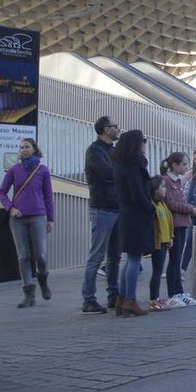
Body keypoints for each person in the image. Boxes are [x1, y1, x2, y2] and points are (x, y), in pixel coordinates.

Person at [0, 137, 55, 308]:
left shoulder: (42, 170)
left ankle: (43, 280)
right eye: (21, 147)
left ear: (34, 149)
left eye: (27, 147)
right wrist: (10, 208)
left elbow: (48, 196)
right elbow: (1, 192)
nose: (24, 150)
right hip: (18, 218)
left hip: (37, 215)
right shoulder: (14, 170)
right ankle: (29, 293)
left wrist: (50, 219)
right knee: (23, 256)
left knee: (41, 256)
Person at [112, 129, 154, 317]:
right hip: (136, 215)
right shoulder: (133, 165)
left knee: (130, 258)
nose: (145, 144)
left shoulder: (120, 163)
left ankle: (122, 299)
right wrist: (150, 208)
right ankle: (130, 299)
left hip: (125, 214)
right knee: (135, 259)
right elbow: (138, 193)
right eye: (143, 140)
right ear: (136, 144)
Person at [81, 116, 120, 314]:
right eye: (115, 126)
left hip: (115, 207)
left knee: (114, 256)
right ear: (106, 129)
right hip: (102, 207)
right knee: (97, 255)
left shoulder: (112, 150)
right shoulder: (95, 151)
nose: (118, 128)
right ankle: (88, 298)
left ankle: (114, 295)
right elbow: (109, 173)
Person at [160, 152, 196, 305]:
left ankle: (179, 291)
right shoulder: (167, 181)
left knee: (176, 260)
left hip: (182, 222)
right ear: (175, 165)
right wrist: (190, 209)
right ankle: (174, 293)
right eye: (184, 164)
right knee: (175, 259)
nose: (186, 167)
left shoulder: (177, 181)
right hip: (175, 224)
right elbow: (172, 204)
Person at [148, 176, 174, 311]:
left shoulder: (162, 204)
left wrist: (170, 236)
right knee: (157, 272)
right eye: (162, 187)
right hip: (157, 243)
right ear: (155, 189)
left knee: (159, 270)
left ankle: (156, 298)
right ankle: (154, 299)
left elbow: (168, 221)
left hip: (165, 241)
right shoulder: (152, 205)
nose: (165, 189)